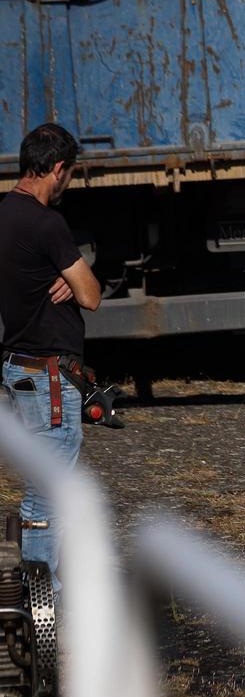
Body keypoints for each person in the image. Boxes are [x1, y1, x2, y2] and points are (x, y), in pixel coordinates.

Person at [0, 123, 101, 589]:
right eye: (69, 175)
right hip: (49, 377)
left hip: (19, 362)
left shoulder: (5, 213)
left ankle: (38, 584)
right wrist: (77, 274)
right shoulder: (47, 223)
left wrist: (58, 273)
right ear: (58, 169)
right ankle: (42, 593)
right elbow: (92, 296)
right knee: (50, 487)